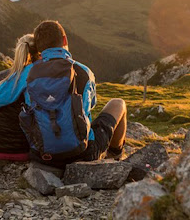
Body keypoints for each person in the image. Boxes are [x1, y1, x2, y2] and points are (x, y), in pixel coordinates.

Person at [21, 20, 127, 167]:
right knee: (118, 103)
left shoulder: (27, 73)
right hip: (82, 153)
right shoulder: (83, 71)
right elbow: (91, 105)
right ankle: (116, 155)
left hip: (41, 154)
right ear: (64, 40)